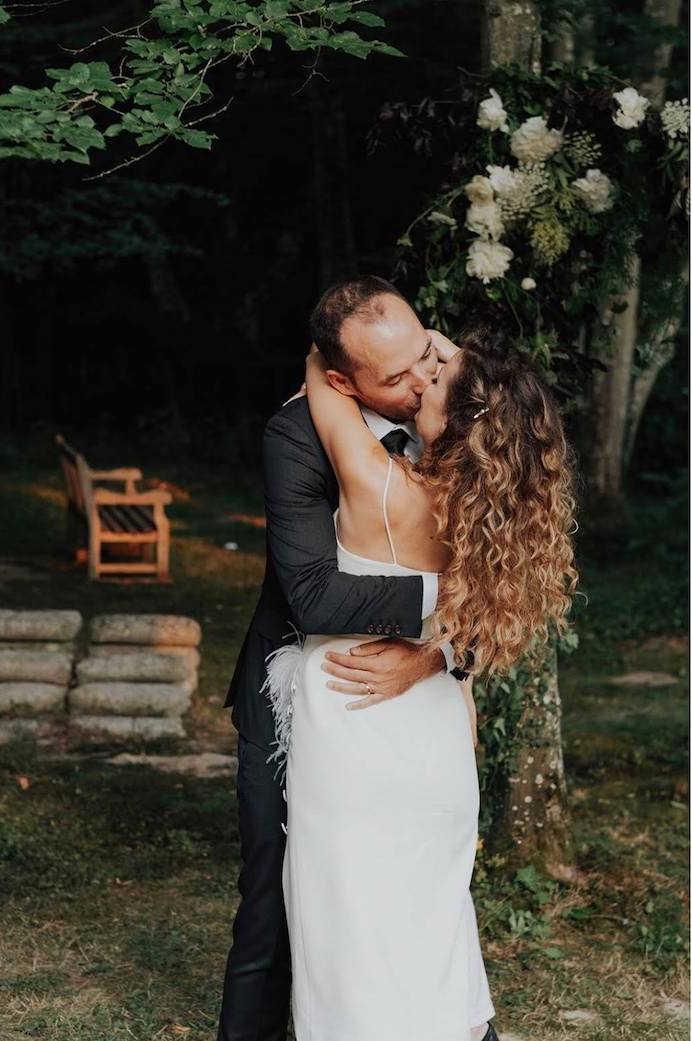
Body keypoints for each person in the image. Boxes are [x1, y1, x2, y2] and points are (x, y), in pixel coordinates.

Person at [264, 284, 578, 1040]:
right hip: (437, 739)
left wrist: (335, 349)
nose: (421, 377)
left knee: (349, 928)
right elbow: (473, 623)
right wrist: (438, 354)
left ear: (458, 422)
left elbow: (325, 384)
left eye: (432, 378)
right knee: (432, 918)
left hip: (357, 734)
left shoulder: (382, 488)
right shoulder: (487, 516)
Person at [217, 276, 484, 1041]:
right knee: (272, 894)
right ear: (342, 381)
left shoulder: (462, 416)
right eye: (392, 378)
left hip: (413, 700)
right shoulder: (299, 435)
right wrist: (441, 609)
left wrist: (437, 657)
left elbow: (502, 569)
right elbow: (311, 595)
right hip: (296, 679)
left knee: (414, 885)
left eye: (422, 362)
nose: (416, 385)